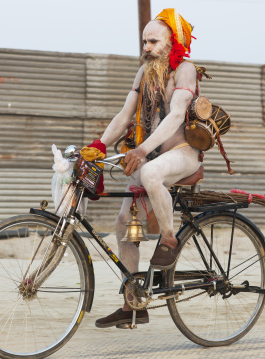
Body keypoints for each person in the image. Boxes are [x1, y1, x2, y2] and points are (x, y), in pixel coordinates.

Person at [91, 9, 204, 328]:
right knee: (123, 223)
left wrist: (140, 150)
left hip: (183, 154)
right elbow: (125, 114)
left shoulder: (185, 70)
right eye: (144, 41)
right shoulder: (143, 74)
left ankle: (169, 240)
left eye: (154, 41)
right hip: (151, 157)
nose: (147, 47)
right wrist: (98, 145)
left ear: (172, 43)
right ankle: (133, 305)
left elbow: (176, 115)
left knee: (151, 174)